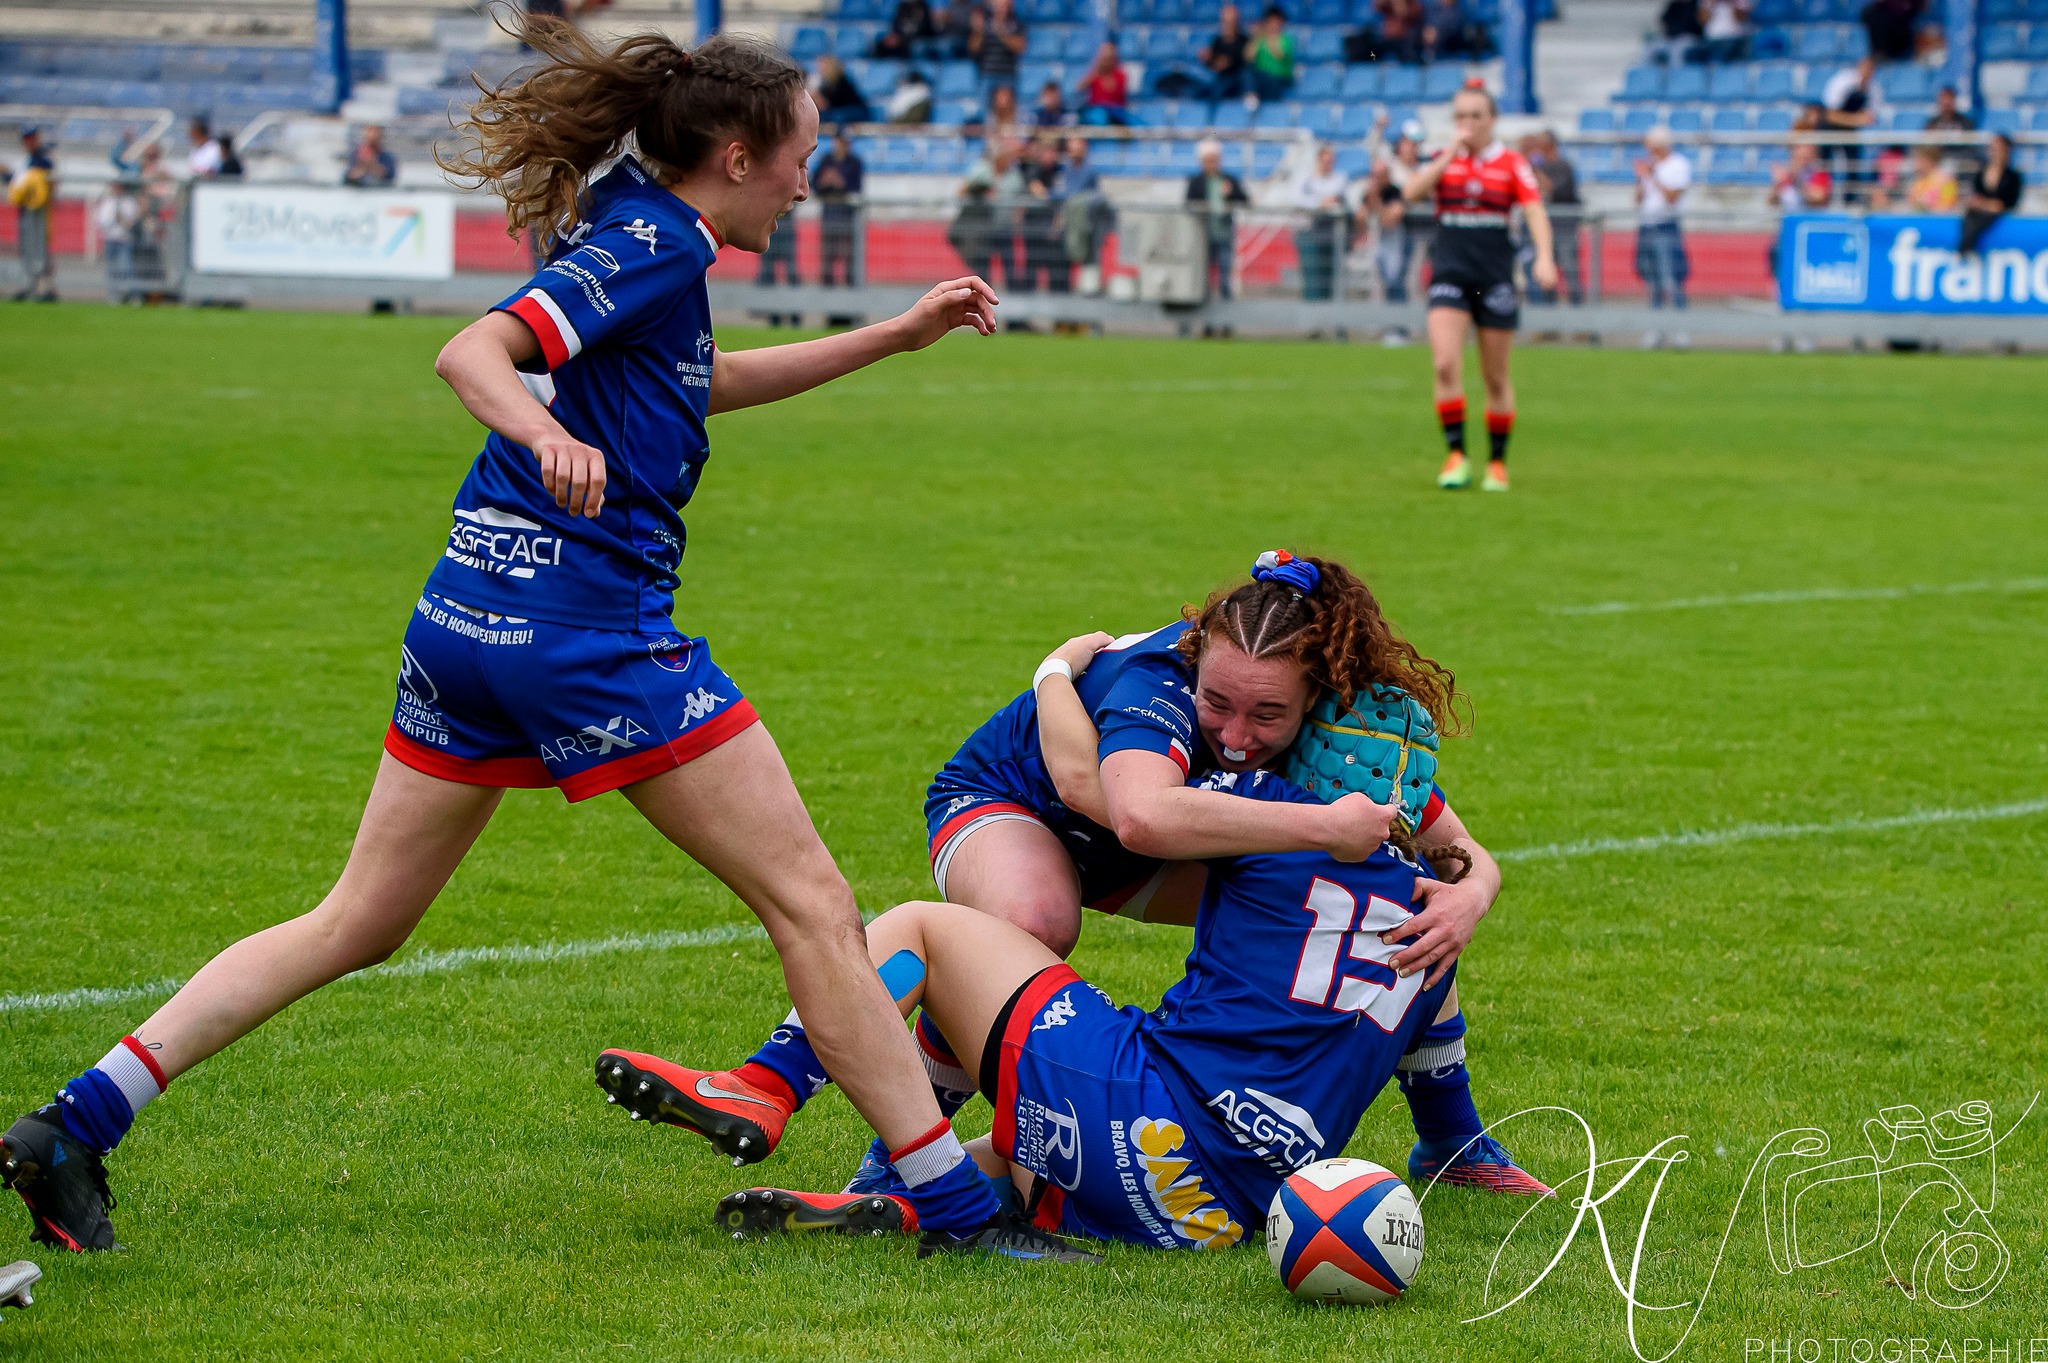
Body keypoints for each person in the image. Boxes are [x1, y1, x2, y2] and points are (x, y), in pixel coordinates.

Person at [0, 17, 1067, 1265]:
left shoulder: (642, 222)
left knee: (358, 918)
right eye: (799, 156)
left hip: (464, 615)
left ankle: (76, 1121)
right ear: (733, 155)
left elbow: (690, 381)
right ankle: (953, 1207)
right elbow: (476, 350)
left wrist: (890, 337)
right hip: (584, 633)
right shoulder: (657, 239)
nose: (806, 178)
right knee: (815, 906)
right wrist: (540, 433)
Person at [610, 552, 1546, 1218]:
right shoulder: (1157, 682)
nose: (1237, 729)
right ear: (1197, 666)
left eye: (1268, 714)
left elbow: (1447, 845)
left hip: (1148, 836)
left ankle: (1455, 1146)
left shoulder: (1311, 724)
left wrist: (1470, 891)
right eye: (1220, 703)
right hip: (1025, 804)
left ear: (1316, 694)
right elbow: (1117, 803)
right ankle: (787, 1096)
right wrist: (1056, 674)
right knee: (1032, 918)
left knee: (1402, 914)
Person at [626, 767, 1464, 1254]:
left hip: (1140, 1117)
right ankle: (905, 1199)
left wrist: (1059, 671)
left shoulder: (1255, 802)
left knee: (927, 930)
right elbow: (1440, 984)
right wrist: (1456, 1139)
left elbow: (1112, 799)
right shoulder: (1437, 905)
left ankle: (769, 1085)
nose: (1235, 726)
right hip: (1220, 1211)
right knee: (1011, 1136)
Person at [1405, 82, 1556, 494]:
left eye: (1476, 116)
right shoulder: (1444, 159)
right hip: (1450, 276)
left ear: (1492, 120)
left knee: (1495, 375)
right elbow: (1411, 192)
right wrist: (1449, 156)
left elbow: (1534, 210)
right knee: (1444, 364)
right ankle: (1456, 456)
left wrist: (1544, 255)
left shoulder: (1511, 163)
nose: (1468, 124)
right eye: (1461, 116)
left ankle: (1497, 461)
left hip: (1493, 277)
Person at [1633, 127, 1691, 342]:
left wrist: (1653, 175)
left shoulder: (1679, 165)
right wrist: (1641, 179)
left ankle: (1680, 329)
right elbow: (1638, 200)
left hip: (1666, 227)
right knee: (1652, 280)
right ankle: (1656, 328)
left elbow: (1672, 197)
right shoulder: (1651, 166)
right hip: (1647, 226)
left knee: (1672, 278)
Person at [1368, 117, 1424, 309]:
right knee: (1387, 276)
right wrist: (1378, 129)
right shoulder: (1392, 166)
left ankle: (1402, 326)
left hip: (1413, 232)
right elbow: (1374, 154)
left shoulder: (1421, 169)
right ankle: (1390, 323)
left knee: (1406, 279)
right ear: (1400, 144)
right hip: (1389, 230)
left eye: (1415, 144)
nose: (1411, 148)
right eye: (1408, 143)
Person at [1186, 140, 1250, 301]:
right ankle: (1203, 306)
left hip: (1224, 232)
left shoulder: (1228, 180)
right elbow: (1188, 204)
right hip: (1203, 233)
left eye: (1214, 159)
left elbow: (1245, 200)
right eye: (1208, 160)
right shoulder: (1196, 182)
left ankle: (1225, 312)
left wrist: (1230, 194)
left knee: (1225, 273)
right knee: (1203, 274)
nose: (1212, 163)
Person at [1523, 130, 1581, 305]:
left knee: (1570, 271)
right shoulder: (1543, 166)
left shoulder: (1563, 166)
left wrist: (1535, 171)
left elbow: (1553, 189)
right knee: (1547, 273)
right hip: (1548, 227)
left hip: (1565, 228)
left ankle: (1581, 317)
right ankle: (1550, 320)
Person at [1292, 144, 1350, 302]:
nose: (1327, 164)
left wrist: (1325, 202)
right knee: (1312, 277)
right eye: (1325, 160)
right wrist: (1321, 203)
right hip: (1309, 232)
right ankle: (1312, 319)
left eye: (1330, 161)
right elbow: (1298, 200)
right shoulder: (1305, 178)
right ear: (1318, 160)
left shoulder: (1339, 179)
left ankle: (1327, 318)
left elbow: (1340, 199)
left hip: (1330, 234)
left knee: (1329, 278)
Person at [1015, 136, 1071, 293]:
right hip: (1034, 232)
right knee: (1030, 274)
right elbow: (1036, 190)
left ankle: (1061, 315)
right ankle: (1024, 313)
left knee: (1058, 276)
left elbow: (1064, 195)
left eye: (1052, 152)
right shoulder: (1033, 170)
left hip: (1055, 235)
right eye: (1046, 152)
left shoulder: (1062, 172)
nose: (1049, 156)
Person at [8, 126, 56, 303]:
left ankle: (45, 287)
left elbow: (44, 174)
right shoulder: (24, 161)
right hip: (25, 210)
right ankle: (30, 284)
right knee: (28, 247)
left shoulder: (43, 157)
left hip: (40, 210)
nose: (28, 142)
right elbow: (15, 181)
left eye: (31, 138)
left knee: (40, 248)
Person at [1821, 58, 1879, 202]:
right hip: (1829, 128)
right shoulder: (1843, 82)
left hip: (1850, 130)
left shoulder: (1874, 89)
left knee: (1853, 164)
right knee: (1824, 164)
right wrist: (1854, 120)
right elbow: (1830, 115)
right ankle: (1823, 197)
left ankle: (1850, 200)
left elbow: (1870, 117)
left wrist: (1852, 120)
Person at [815, 129, 865, 288]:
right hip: (830, 215)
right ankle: (828, 298)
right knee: (828, 258)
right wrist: (825, 182)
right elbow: (814, 184)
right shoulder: (826, 160)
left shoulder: (855, 162)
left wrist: (840, 183)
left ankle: (850, 298)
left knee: (850, 259)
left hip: (847, 217)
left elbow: (857, 189)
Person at [1959, 133, 2021, 255]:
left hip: (1999, 216)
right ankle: (1967, 247)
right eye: (1993, 149)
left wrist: (1989, 205)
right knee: (1971, 215)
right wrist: (1986, 205)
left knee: (1982, 216)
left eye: (1999, 149)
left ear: (2007, 151)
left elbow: (2007, 203)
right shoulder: (1980, 173)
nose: (1995, 153)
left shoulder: (2012, 177)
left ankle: (1965, 248)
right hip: (1981, 212)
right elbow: (1977, 197)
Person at [95, 173, 145, 304]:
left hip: (124, 239)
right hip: (111, 238)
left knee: (127, 268)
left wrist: (122, 220)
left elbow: (132, 219)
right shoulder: (107, 201)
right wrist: (112, 220)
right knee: (112, 269)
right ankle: (114, 295)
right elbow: (101, 219)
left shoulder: (128, 201)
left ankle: (134, 295)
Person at [968, 0, 1027, 106]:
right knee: (984, 112)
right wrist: (978, 31)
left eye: (1005, 5)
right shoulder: (985, 23)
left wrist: (1002, 31)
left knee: (1009, 113)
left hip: (1008, 75)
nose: (1002, 8)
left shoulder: (1016, 23)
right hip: (988, 74)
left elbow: (1020, 47)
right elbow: (973, 49)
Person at [1924, 85, 1978, 178]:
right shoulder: (1932, 123)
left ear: (1954, 101)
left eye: (1949, 100)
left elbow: (1971, 148)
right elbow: (1925, 146)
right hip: (1937, 159)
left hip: (1959, 160)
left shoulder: (1966, 123)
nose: (1946, 103)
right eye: (1943, 100)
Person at [1200, 3, 1250, 101]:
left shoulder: (1244, 40)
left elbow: (1245, 60)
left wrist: (1228, 62)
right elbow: (1213, 64)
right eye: (1225, 21)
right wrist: (1208, 59)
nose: (1228, 23)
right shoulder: (1217, 41)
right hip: (1223, 79)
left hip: (1239, 80)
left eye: (1231, 21)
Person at [1247, 6, 1296, 101]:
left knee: (1271, 82)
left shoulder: (1286, 40)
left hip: (1279, 79)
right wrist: (1254, 38)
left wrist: (1268, 37)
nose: (1273, 25)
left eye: (1275, 22)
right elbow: (1248, 57)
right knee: (1247, 73)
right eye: (1270, 22)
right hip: (1261, 79)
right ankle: (1251, 98)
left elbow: (1279, 55)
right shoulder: (1260, 39)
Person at [1768, 139, 1833, 210]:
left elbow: (1818, 197)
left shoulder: (1820, 173)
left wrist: (1797, 179)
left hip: (1810, 218)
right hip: (1786, 216)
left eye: (1805, 147)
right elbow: (1771, 202)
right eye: (1797, 147)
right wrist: (1778, 185)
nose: (1801, 152)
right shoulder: (1786, 175)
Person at [1077, 42, 1129, 126]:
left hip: (1115, 114)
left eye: (1109, 58)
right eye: (1104, 58)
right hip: (1096, 113)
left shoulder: (1120, 75)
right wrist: (1095, 72)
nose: (1106, 61)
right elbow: (1079, 87)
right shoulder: (1094, 74)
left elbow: (1112, 88)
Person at [811, 55, 869, 124]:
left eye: (823, 67)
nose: (820, 69)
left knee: (838, 116)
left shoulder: (841, 80)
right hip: (840, 110)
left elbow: (834, 101)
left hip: (855, 110)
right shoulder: (826, 83)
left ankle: (840, 134)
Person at [1902, 144, 1957, 211]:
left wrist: (1927, 208)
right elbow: (1911, 204)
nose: (1916, 163)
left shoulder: (1947, 182)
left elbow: (1948, 205)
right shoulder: (1918, 181)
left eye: (1919, 159)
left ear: (1928, 160)